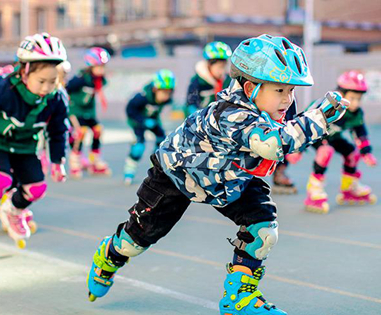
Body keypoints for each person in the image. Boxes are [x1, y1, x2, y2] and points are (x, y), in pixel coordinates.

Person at [86, 34, 348, 314]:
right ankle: (109, 255)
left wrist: (318, 122)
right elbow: (274, 144)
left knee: (264, 230)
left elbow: (288, 137)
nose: (287, 100)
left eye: (291, 91)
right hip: (178, 174)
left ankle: (239, 298)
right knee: (135, 242)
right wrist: (317, 119)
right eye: (280, 91)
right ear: (250, 88)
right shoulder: (232, 113)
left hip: (228, 177)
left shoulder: (273, 111)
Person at [0, 33, 69, 274]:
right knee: (0, 179)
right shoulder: (1, 89)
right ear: (25, 70)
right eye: (42, 81)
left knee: (37, 188)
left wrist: (57, 161)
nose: (47, 88)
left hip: (23, 144)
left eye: (53, 81)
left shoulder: (56, 97)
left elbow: (58, 130)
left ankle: (13, 209)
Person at [304, 70, 377, 213]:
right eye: (352, 98)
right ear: (341, 93)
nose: (355, 103)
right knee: (326, 151)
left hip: (333, 137)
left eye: (358, 99)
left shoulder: (355, 112)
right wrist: (297, 149)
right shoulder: (326, 105)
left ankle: (349, 187)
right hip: (316, 136)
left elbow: (359, 132)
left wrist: (366, 152)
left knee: (352, 153)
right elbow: (304, 122)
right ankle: (315, 189)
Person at [123, 69, 175, 185]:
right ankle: (129, 170)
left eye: (168, 93)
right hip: (138, 121)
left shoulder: (166, 100)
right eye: (163, 92)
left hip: (152, 120)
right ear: (155, 89)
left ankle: (156, 168)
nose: (165, 96)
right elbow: (130, 111)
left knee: (162, 142)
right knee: (139, 146)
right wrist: (142, 121)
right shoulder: (142, 97)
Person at [66, 47, 111, 179]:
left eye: (103, 66)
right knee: (81, 132)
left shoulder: (99, 80)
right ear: (91, 65)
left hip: (88, 112)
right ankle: (75, 162)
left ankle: (94, 159)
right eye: (99, 66)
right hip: (75, 111)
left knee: (98, 130)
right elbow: (66, 89)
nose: (102, 69)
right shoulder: (80, 79)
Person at [185, 41, 232, 116]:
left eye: (224, 67)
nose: (222, 71)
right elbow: (191, 105)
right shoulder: (198, 82)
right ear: (209, 65)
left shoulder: (228, 81)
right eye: (219, 67)